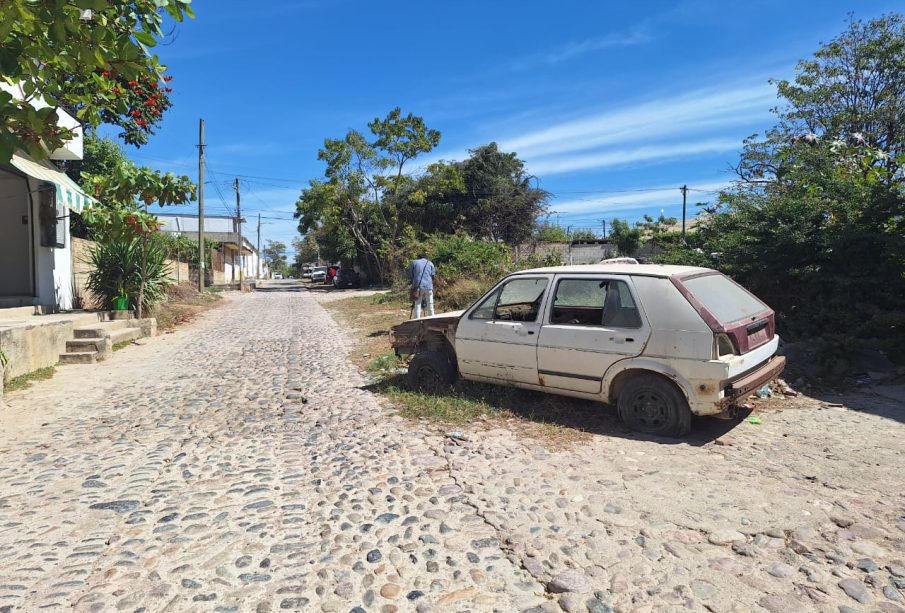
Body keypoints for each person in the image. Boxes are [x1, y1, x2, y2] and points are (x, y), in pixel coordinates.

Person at [409, 253, 436, 319]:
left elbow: (411, 275)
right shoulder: (430, 263)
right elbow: (433, 275)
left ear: (418, 257)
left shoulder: (414, 263)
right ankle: (432, 319)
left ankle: (417, 319)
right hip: (429, 286)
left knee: (417, 304)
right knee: (430, 304)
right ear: (425, 258)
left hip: (418, 287)